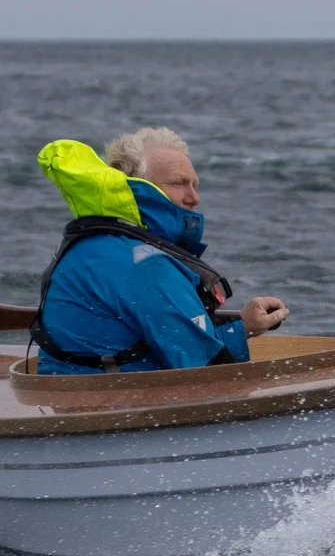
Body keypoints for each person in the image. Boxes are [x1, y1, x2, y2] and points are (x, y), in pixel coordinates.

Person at [30, 127, 289, 374]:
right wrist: (243, 329)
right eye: (179, 183)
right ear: (139, 186)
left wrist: (243, 327)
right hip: (114, 405)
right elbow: (206, 369)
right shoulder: (143, 263)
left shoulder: (99, 243)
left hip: (71, 395)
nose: (194, 198)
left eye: (194, 185)